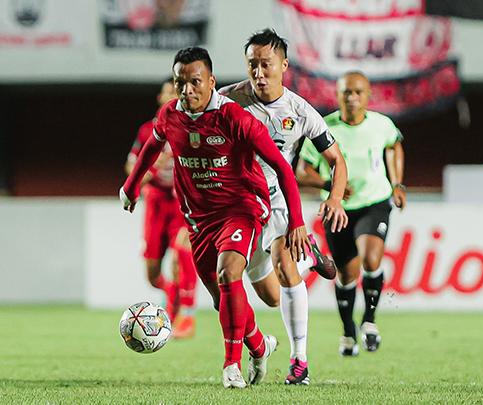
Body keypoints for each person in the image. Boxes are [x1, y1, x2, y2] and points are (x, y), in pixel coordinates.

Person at [120, 46, 312, 389]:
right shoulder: (170, 115)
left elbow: (283, 168)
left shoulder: (234, 117)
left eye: (194, 82)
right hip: (200, 218)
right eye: (181, 83)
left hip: (242, 209)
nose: (187, 91)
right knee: (221, 296)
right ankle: (259, 345)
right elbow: (152, 143)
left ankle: (231, 365)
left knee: (228, 273)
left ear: (211, 81)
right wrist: (131, 186)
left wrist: (297, 220)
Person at [219, 28, 348, 385]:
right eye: (252, 65)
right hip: (238, 205)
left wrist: (334, 198)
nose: (258, 73)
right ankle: (309, 257)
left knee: (284, 265)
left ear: (284, 65)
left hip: (278, 200)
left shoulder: (300, 111)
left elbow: (336, 159)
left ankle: (299, 362)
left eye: (266, 64)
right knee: (271, 297)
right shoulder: (227, 100)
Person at [297, 71, 406, 357]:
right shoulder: (323, 128)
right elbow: (301, 172)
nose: (352, 98)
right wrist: (328, 184)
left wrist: (396, 184)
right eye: (347, 92)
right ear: (338, 95)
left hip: (375, 201)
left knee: (371, 258)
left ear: (369, 95)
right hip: (338, 209)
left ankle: (369, 322)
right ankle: (348, 332)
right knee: (346, 274)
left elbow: (394, 146)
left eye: (358, 92)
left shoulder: (382, 125)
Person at [125, 77, 198, 338]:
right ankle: (172, 297)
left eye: (176, 94)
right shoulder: (148, 131)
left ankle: (187, 317)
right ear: (160, 98)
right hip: (156, 201)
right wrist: (157, 164)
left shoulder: (191, 129)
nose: (172, 98)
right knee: (153, 275)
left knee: (183, 251)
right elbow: (131, 169)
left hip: (181, 201)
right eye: (168, 92)